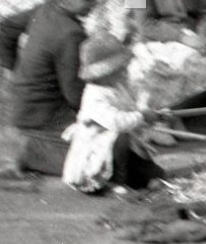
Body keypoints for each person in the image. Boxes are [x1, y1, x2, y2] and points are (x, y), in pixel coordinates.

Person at [0, 0, 99, 175]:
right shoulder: (71, 34)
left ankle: (33, 145)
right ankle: (33, 152)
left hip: (24, 107)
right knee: (100, 154)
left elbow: (6, 27)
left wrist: (10, 70)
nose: (94, 3)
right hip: (46, 116)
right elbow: (73, 94)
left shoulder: (45, 9)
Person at [62, 32, 166, 194]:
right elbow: (116, 122)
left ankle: (131, 177)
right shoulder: (94, 96)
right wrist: (142, 116)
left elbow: (132, 111)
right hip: (97, 152)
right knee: (119, 137)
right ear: (103, 74)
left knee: (158, 175)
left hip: (123, 149)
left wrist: (153, 115)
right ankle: (114, 182)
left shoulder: (117, 86)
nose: (124, 72)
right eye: (119, 70)